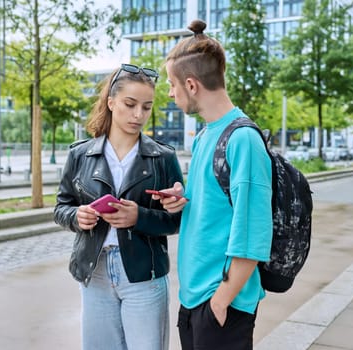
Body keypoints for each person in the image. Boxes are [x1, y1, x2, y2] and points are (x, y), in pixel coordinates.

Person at [158, 19, 273, 349]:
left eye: (172, 84)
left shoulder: (243, 140)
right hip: (194, 298)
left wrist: (221, 301)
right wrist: (183, 197)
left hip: (222, 303)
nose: (170, 92)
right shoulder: (206, 134)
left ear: (192, 85)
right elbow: (215, 204)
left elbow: (253, 232)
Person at [54, 63, 184, 350]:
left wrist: (139, 216)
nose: (138, 115)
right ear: (111, 103)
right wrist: (77, 216)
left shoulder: (163, 157)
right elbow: (61, 207)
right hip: (94, 271)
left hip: (143, 275)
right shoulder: (80, 154)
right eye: (130, 104)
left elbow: (176, 221)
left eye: (146, 107)